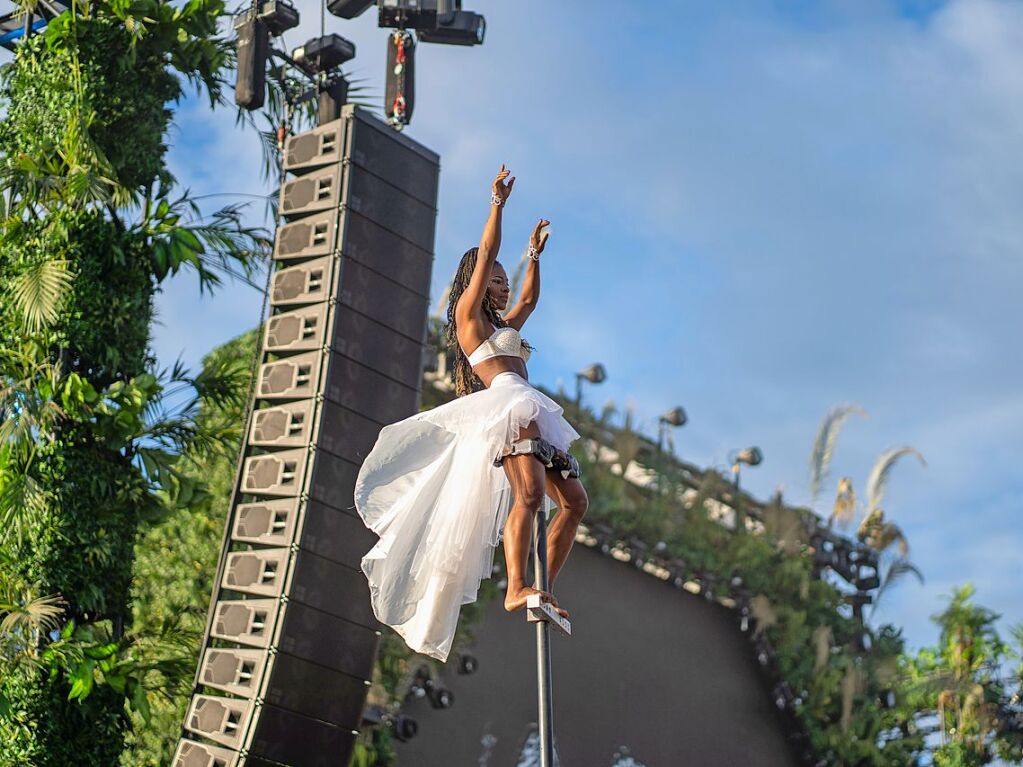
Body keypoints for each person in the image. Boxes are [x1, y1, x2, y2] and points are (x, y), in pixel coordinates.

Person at [353, 165, 589, 662]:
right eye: (497, 282)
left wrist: (533, 257)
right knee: (527, 494)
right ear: (477, 286)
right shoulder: (470, 320)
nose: (503, 289)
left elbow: (529, 298)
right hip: (505, 405)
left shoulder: (505, 321)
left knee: (574, 503)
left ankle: (540, 583)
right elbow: (485, 255)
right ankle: (516, 586)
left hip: (528, 407)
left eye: (503, 283)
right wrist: (497, 206)